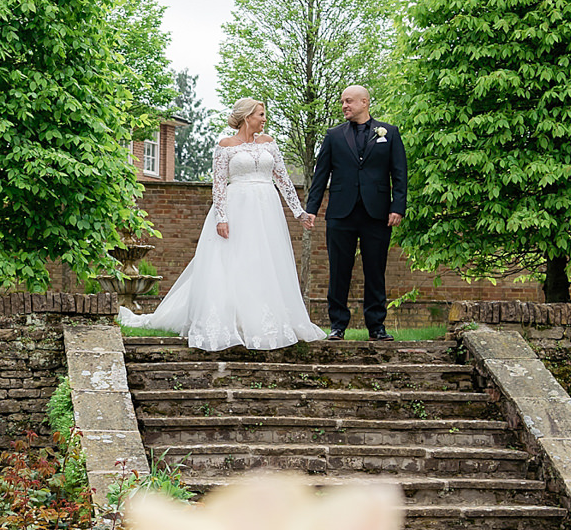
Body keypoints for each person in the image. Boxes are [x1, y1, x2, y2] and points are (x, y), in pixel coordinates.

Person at [119, 99, 328, 351]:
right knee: (234, 261)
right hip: (237, 207)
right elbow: (218, 184)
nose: (264, 119)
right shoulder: (225, 146)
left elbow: (283, 179)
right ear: (246, 116)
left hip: (267, 209)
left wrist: (299, 212)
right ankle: (234, 317)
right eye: (261, 114)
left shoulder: (269, 143)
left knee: (264, 261)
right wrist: (222, 217)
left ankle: (265, 318)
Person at [300, 83, 407, 341]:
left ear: (364, 102)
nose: (344, 106)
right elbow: (321, 175)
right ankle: (337, 325)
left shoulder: (389, 133)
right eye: (342, 102)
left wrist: (398, 207)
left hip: (377, 213)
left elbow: (399, 173)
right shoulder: (334, 136)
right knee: (339, 270)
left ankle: (376, 326)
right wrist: (311, 209)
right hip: (341, 212)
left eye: (349, 101)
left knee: (375, 269)